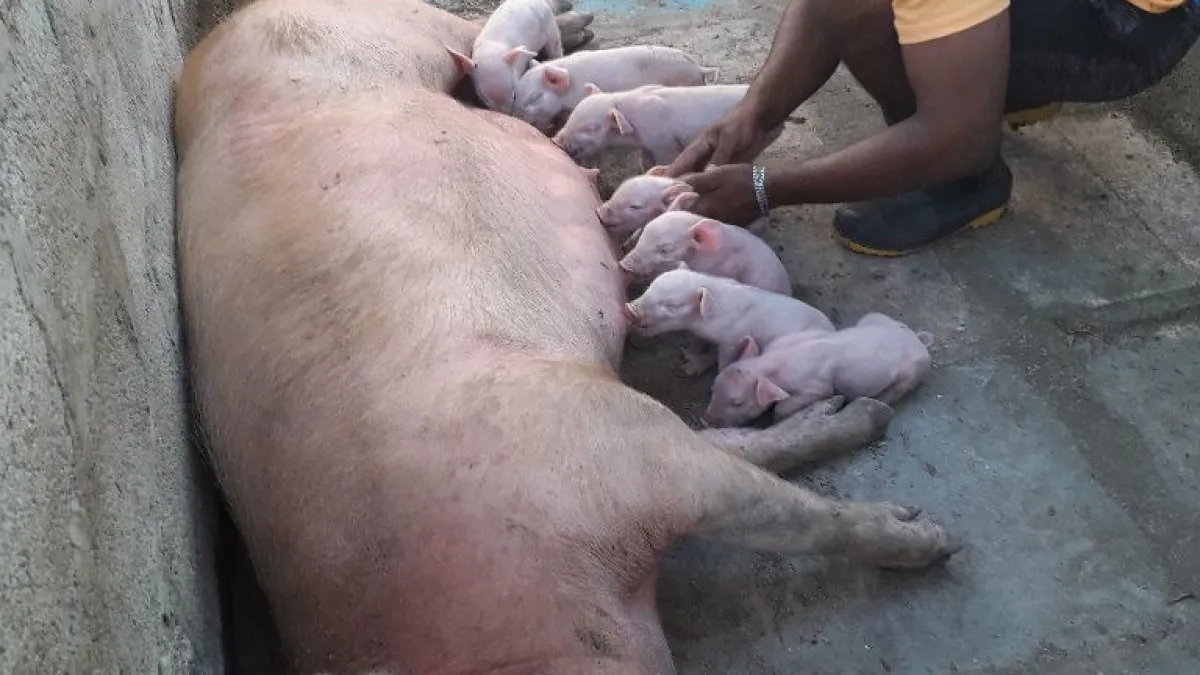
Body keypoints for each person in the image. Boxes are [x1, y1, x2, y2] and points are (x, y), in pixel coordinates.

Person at [663, 0, 1200, 257]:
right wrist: (754, 112)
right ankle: (997, 79)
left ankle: (967, 185)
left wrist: (767, 188)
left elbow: (957, 135)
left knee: (867, 15)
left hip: (1129, 27)